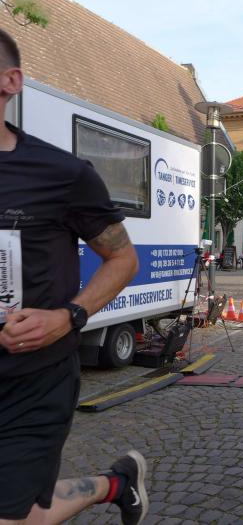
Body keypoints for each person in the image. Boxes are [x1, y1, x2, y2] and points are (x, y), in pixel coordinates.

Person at [0, 29, 146, 525]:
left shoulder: (60, 173)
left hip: (33, 379)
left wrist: (69, 316)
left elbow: (123, 259)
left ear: (10, 81)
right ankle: (116, 484)